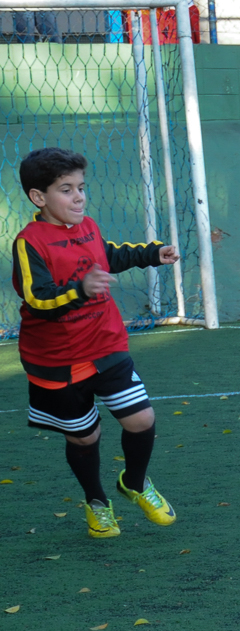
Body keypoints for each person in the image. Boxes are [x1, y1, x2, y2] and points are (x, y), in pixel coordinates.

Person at [11, 147, 178, 538]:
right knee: (84, 436)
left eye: (81, 187)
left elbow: (108, 255)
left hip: (106, 345)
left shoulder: (88, 227)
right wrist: (81, 289)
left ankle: (134, 483)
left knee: (142, 419)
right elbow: (38, 298)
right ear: (39, 197)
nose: (79, 197)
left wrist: (153, 254)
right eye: (66, 190)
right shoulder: (29, 242)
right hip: (58, 359)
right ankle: (97, 501)